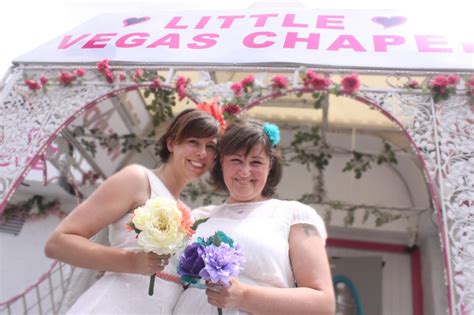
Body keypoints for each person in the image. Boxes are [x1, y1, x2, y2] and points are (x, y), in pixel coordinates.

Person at [44, 108, 221, 314]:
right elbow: (58, 243)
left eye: (210, 147)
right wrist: (131, 261)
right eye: (193, 142)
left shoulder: (188, 214)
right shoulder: (138, 179)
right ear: (171, 143)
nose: (202, 153)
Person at [173, 118, 335, 315]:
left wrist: (243, 296)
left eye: (256, 162)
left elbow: (323, 304)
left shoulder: (294, 215)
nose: (245, 171)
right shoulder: (198, 217)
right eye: (236, 160)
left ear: (270, 166)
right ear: (221, 163)